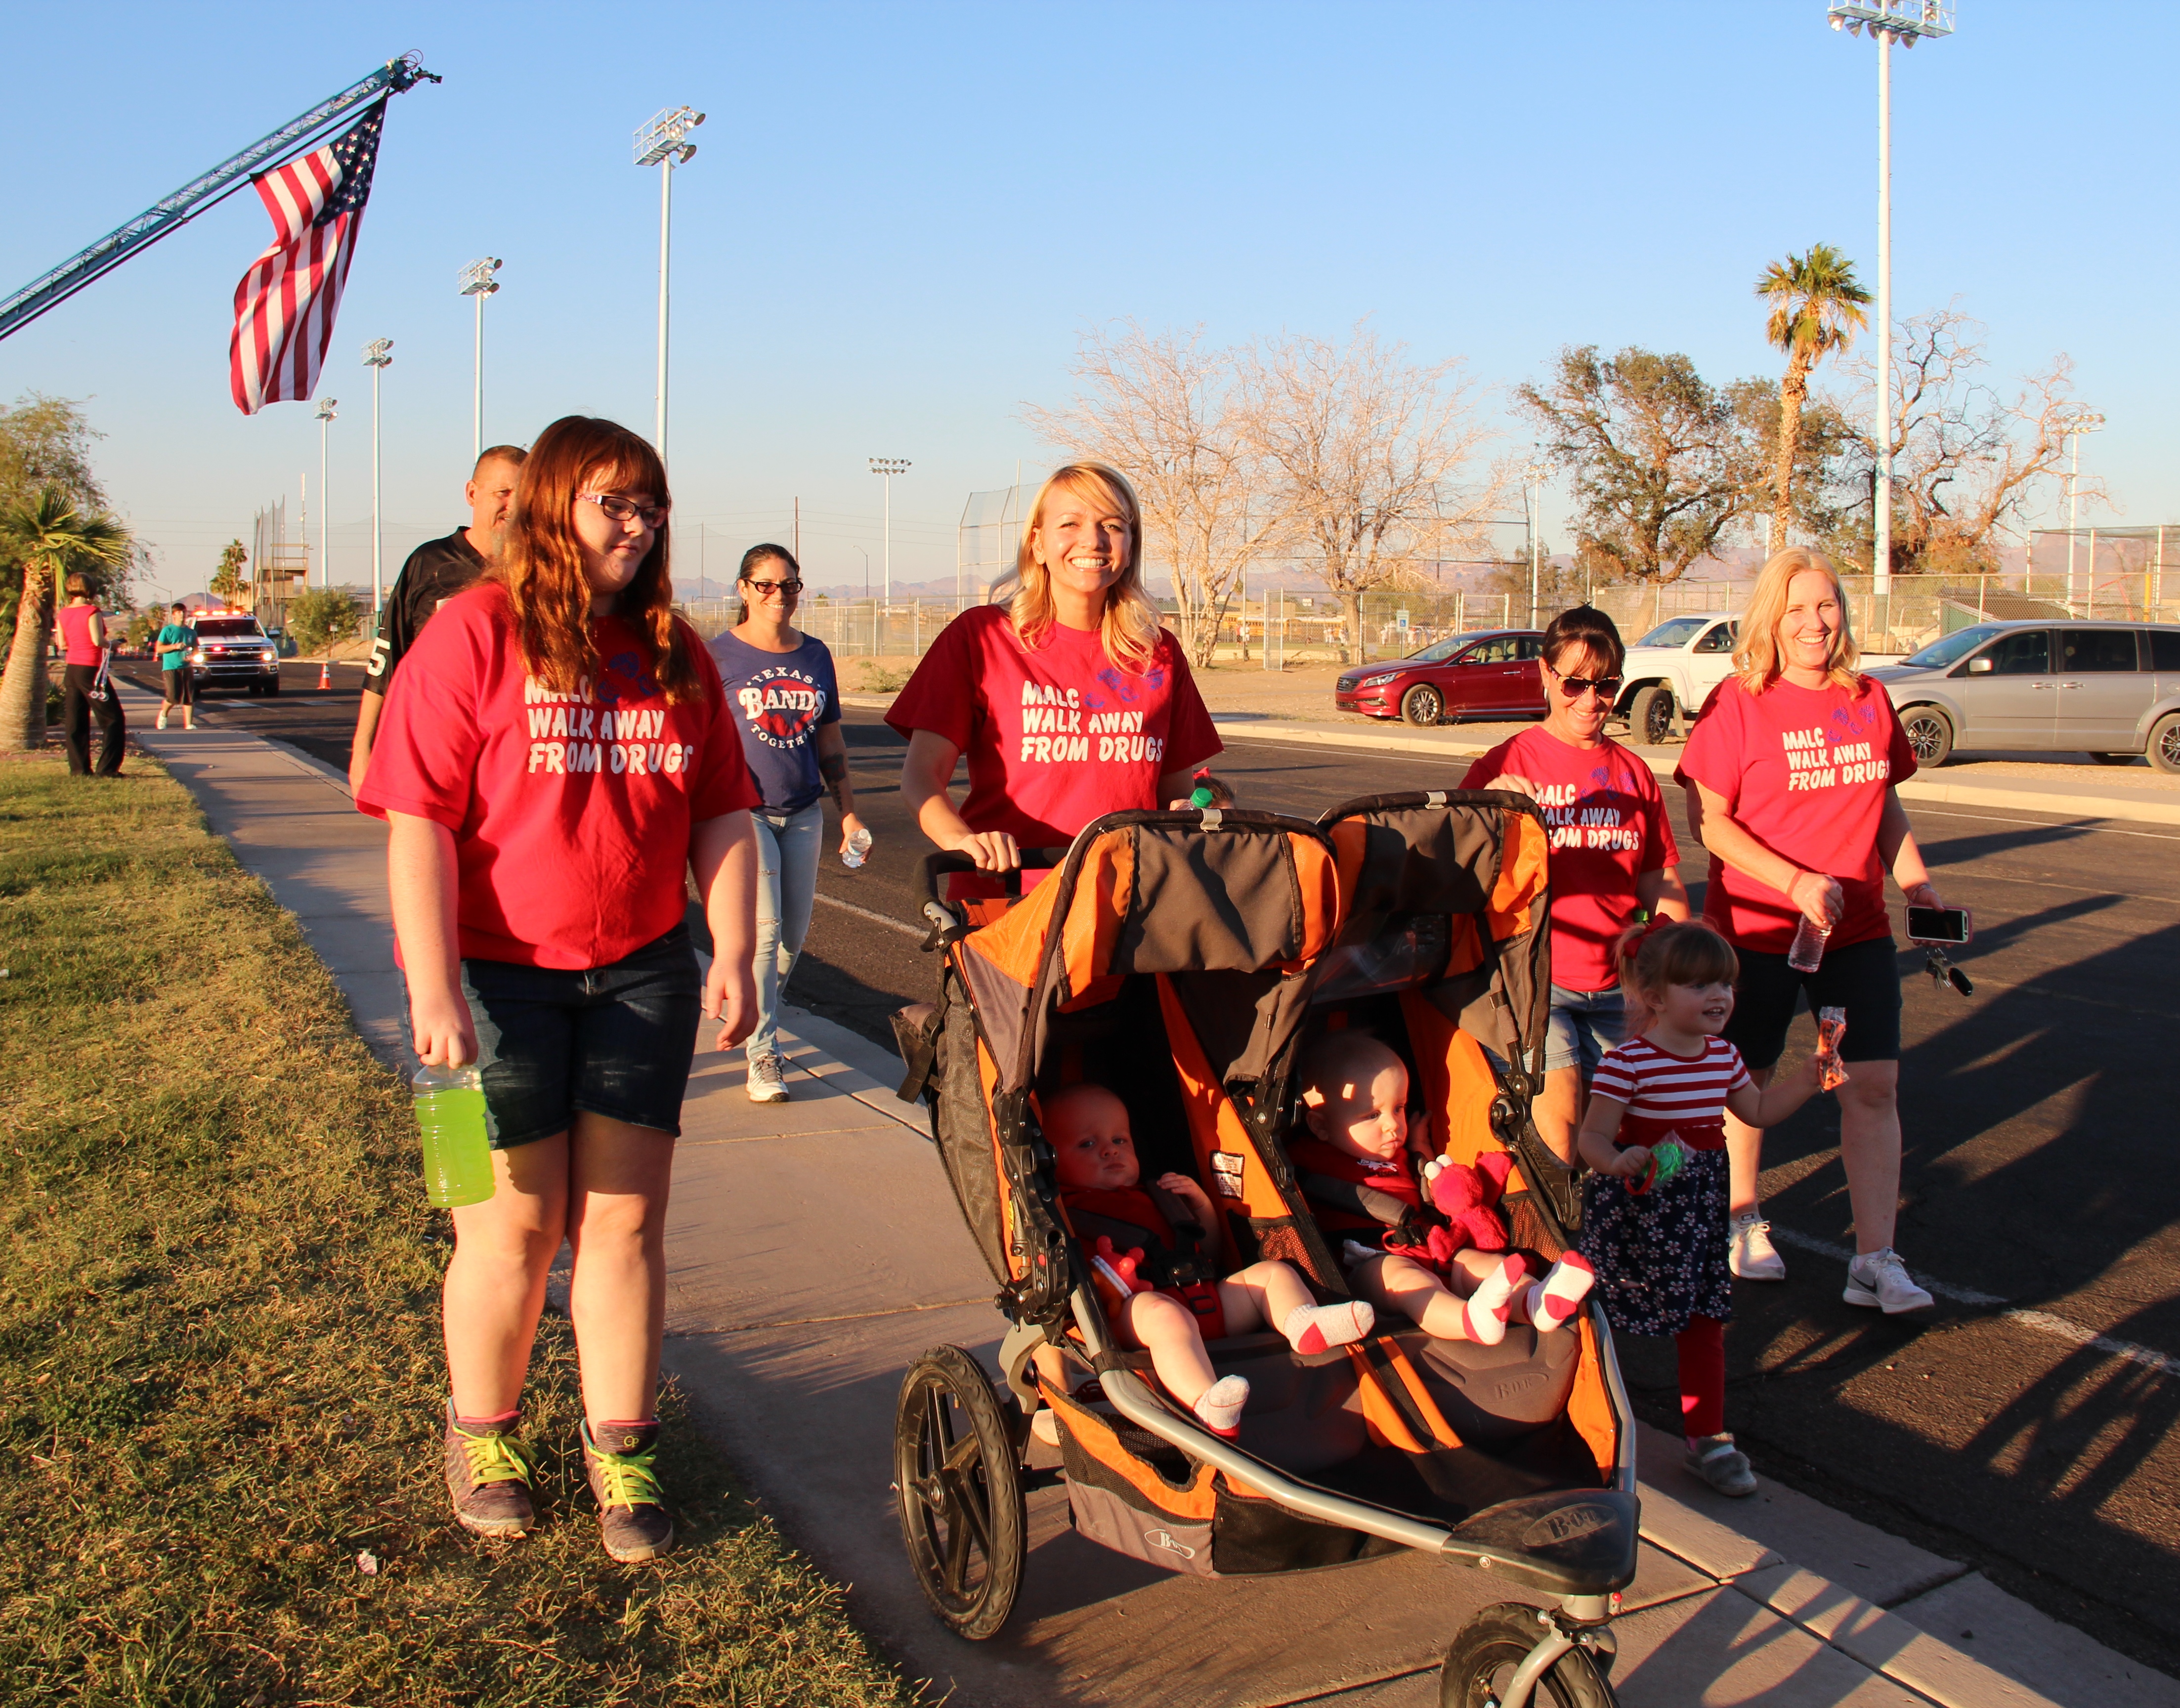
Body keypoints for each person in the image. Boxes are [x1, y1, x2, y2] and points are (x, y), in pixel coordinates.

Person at [356, 416, 760, 1562]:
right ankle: (482, 1434)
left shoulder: (672, 651)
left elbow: (723, 809)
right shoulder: (472, 632)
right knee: (509, 1228)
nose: (635, 525)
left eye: (649, 505)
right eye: (610, 502)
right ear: (550, 507)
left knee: (625, 1223)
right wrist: (432, 985)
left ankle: (620, 1447)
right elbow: (416, 822)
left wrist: (733, 949)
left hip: (640, 975)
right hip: (489, 984)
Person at [1676, 547, 1939, 1312]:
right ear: (1769, 618)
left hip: (1853, 932)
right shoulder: (1737, 703)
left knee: (1871, 1083)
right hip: (1755, 933)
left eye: (1824, 605)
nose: (1812, 622)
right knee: (1745, 1079)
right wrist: (1792, 882)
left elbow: (1883, 802)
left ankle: (1874, 1260)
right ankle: (1740, 1219)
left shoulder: (1868, 699)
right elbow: (1708, 824)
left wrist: (1917, 886)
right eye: (1794, 609)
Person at [889, 462, 1227, 897]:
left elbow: (1172, 793)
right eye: (1070, 523)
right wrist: (963, 841)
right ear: (1037, 543)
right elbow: (921, 778)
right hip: (1009, 899)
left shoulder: (1159, 652)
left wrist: (1189, 810)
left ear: (1130, 546)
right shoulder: (980, 637)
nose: (1094, 540)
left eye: (1113, 525)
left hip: (1129, 901)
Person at [1576, 919, 1830, 1497]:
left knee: (1702, 1320)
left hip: (1696, 1208)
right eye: (1698, 985)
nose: (1718, 996)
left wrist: (1807, 1079)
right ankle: (1586, 1415)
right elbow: (1591, 1139)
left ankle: (1707, 1438)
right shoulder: (1627, 1063)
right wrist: (1616, 1160)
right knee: (1607, 1312)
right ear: (1654, 998)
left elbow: (1757, 1112)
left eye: (1724, 984)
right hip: (1636, 1210)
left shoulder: (1723, 1057)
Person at [1461, 606, 1689, 1160]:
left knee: (1615, 1128)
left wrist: (1679, 971)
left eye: (1605, 685)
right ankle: (1564, 1220)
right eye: (1575, 683)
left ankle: (1605, 1216)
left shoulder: (1633, 773)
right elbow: (1455, 870)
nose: (1590, 700)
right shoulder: (1504, 763)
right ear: (1545, 673)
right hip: (1536, 979)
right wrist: (1490, 810)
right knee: (1560, 1118)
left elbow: (1660, 881)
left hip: (1617, 983)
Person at [1047, 1082, 1375, 1437]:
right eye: (1087, 1144)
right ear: (1051, 1161)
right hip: (1134, 1316)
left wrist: (1200, 1205)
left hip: (1205, 1300)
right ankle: (1206, 1401)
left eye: (1120, 1140)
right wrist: (1106, 1281)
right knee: (1163, 1315)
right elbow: (1072, 1280)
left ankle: (1304, 1324)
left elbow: (1210, 1251)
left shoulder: (1159, 1194)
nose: (1110, 1151)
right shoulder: (1067, 1212)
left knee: (1272, 1274)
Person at [1294, 1034, 1595, 1344]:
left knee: (1484, 1266)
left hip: (1436, 1248)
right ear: (1321, 1126)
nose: (1393, 1125)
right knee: (1407, 1281)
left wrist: (1420, 1146)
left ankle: (1535, 1302)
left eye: (1399, 1108)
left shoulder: (1405, 1155)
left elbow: (1432, 1181)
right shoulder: (1311, 1157)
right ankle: (1469, 1321)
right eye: (1373, 1115)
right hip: (1370, 1262)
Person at [707, 544, 866, 1104]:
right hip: (743, 813)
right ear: (744, 589)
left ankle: (752, 1005)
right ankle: (763, 1053)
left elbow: (830, 740)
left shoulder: (816, 655)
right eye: (767, 585)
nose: (779, 595)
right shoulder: (718, 657)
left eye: (790, 585)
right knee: (767, 931)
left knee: (790, 939)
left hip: (802, 813)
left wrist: (848, 813)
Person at [350, 445, 528, 792]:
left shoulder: (538, 571)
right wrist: (363, 750)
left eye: (523, 495)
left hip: (509, 762)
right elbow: (385, 660)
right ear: (472, 493)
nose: (513, 505)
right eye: (503, 493)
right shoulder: (429, 563)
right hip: (432, 751)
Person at [56, 574, 125, 775]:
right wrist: (113, 644)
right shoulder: (92, 611)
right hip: (91, 670)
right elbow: (98, 641)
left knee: (75, 721)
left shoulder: (63, 613)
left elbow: (62, 644)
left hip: (72, 669)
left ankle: (79, 769)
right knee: (112, 718)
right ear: (91, 589)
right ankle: (108, 769)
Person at [153, 601, 196, 731]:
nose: (182, 614)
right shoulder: (168, 630)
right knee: (173, 696)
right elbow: (159, 649)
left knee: (189, 696)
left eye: (184, 612)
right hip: (171, 667)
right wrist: (175, 646)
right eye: (179, 612)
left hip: (187, 667)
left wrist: (192, 656)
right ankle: (164, 715)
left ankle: (189, 724)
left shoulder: (191, 632)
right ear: (174, 615)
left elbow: (196, 649)